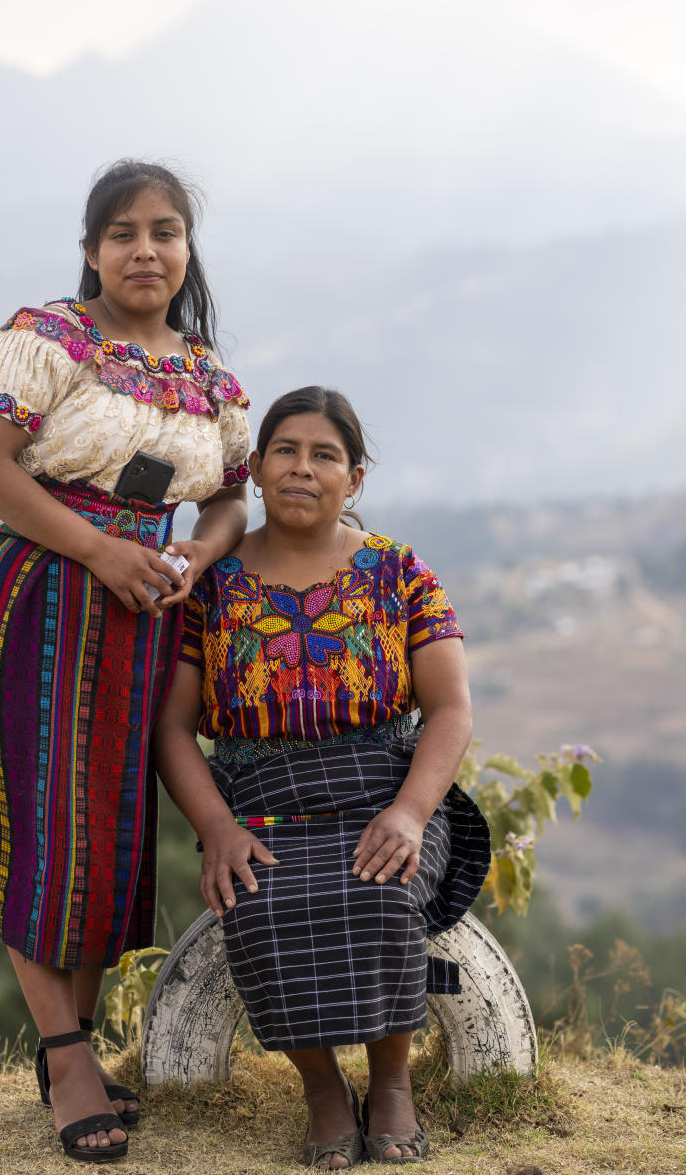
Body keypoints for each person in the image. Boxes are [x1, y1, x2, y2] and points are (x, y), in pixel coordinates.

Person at [0, 160, 250, 1163]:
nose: (146, 250)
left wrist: (201, 548)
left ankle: (77, 1047)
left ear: (187, 249)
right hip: (28, 591)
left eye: (166, 231)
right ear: (92, 251)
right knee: (38, 817)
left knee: (104, 825)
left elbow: (229, 496)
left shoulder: (207, 372)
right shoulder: (44, 341)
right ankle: (65, 1057)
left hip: (142, 603)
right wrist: (98, 548)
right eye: (124, 233)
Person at [154, 386, 490, 1169]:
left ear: (356, 478)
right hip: (260, 805)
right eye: (286, 451)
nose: (303, 469)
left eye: (325, 455)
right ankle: (322, 1091)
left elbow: (450, 709)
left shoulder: (396, 569)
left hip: (384, 789)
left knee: (381, 888)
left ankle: (393, 1081)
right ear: (258, 469)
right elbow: (171, 727)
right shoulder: (214, 584)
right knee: (263, 903)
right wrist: (215, 829)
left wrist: (409, 813)